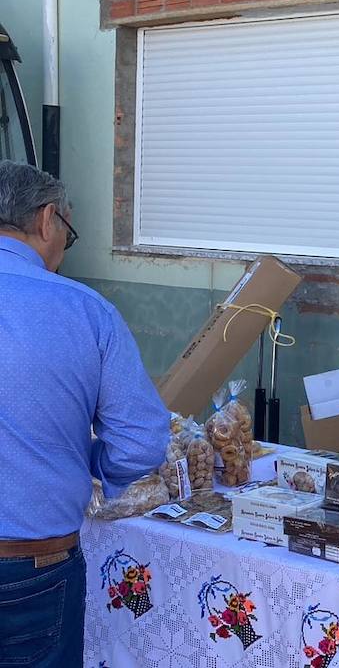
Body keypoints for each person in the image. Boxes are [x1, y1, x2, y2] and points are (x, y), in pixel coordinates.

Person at [0, 161, 168, 665]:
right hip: (32, 566)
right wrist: (91, 460)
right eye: (67, 235)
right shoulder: (85, 310)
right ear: (48, 220)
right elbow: (140, 443)